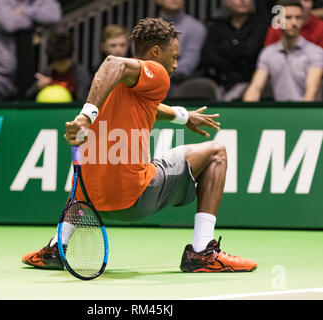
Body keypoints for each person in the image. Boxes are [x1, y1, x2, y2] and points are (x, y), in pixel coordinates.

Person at [22, 17, 257, 273]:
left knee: (92, 167)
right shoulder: (155, 72)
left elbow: (148, 107)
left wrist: (183, 116)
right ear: (156, 52)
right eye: (174, 56)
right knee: (217, 152)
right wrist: (84, 117)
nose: (176, 65)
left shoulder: (106, 85)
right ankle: (203, 252)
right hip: (134, 198)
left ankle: (58, 246)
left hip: (90, 203)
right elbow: (113, 61)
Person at [0, 0, 62, 102]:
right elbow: (9, 23)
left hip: (22, 79)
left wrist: (22, 11)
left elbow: (53, 15)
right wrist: (35, 17)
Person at [243, 0, 323, 101]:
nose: (294, 23)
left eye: (298, 18)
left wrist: (302, 115)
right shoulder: (268, 53)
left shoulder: (315, 52)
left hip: (306, 112)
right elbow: (255, 88)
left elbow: (311, 90)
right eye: (288, 17)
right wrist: (248, 113)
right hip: (280, 112)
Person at [200, 0, 270, 101]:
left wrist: (226, 50)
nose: (243, 1)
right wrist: (237, 53)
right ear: (226, 2)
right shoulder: (217, 26)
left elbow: (251, 53)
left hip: (250, 83)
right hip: (221, 82)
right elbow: (208, 56)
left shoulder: (262, 25)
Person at [25, 26, 91, 101]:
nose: (59, 66)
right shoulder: (47, 73)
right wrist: (38, 87)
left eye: (62, 62)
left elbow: (84, 101)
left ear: (72, 56)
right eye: (56, 62)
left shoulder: (81, 75)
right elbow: (27, 97)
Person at [157, 0, 207, 87]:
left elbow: (188, 65)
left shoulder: (196, 28)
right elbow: (140, 59)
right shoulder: (146, 27)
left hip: (180, 86)